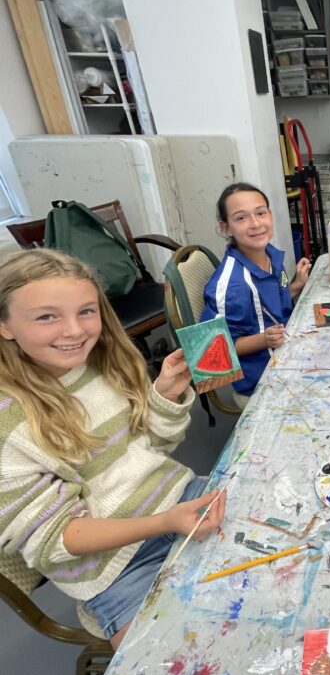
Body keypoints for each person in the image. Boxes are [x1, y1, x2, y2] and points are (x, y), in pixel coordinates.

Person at [0, 249, 226, 649]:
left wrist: (164, 396)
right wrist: (164, 522)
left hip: (180, 500)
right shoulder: (8, 422)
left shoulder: (100, 365)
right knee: (184, 654)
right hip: (114, 570)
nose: (74, 330)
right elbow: (55, 537)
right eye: (47, 316)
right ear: (5, 325)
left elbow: (151, 448)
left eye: (86, 311)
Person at [201, 183, 311, 398]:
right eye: (241, 218)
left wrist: (296, 285)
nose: (255, 224)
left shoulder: (270, 254)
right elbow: (210, 354)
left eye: (260, 213)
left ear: (270, 215)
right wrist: (264, 340)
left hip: (288, 352)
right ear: (225, 227)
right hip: (263, 381)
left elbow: (266, 307)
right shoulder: (230, 286)